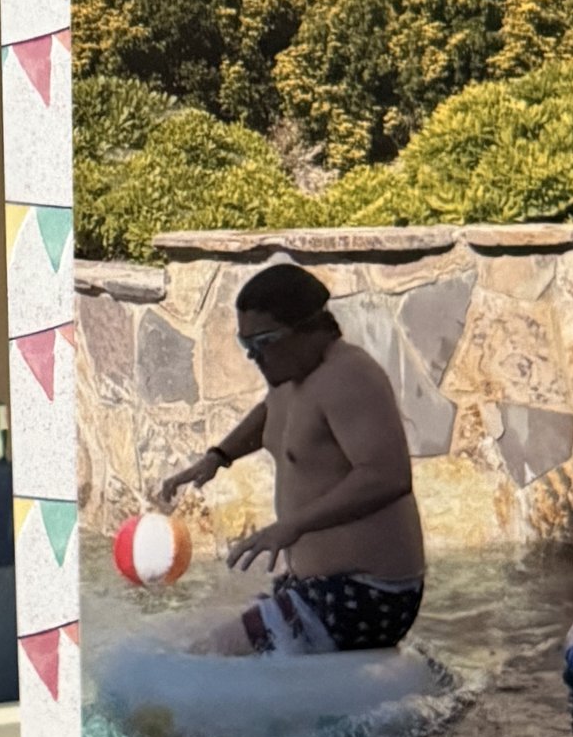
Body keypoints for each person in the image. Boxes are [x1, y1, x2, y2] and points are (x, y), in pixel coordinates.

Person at [158, 262, 427, 655]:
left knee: (207, 657)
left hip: (367, 593)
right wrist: (218, 456)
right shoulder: (294, 376)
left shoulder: (348, 376)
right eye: (246, 346)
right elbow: (271, 413)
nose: (254, 357)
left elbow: (387, 475)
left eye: (263, 341)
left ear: (308, 327)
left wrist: (293, 526)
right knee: (188, 638)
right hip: (318, 586)